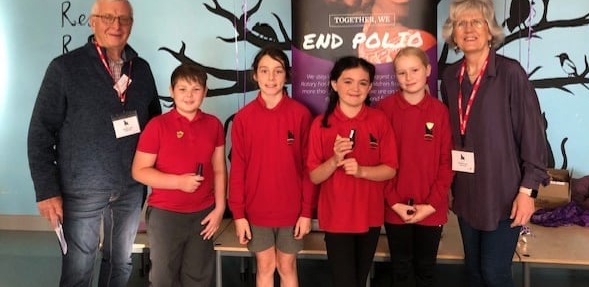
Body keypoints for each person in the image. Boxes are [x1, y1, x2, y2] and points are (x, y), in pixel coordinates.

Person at [27, 0, 161, 287]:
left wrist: (158, 181)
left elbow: (154, 129)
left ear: (132, 24)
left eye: (124, 18)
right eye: (108, 17)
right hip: (81, 190)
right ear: (92, 23)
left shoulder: (141, 69)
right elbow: (39, 132)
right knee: (78, 268)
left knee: (121, 264)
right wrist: (46, 190)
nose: (116, 24)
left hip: (130, 187)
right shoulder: (64, 68)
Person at [439, 0, 549, 287]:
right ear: (453, 34)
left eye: (477, 21)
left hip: (504, 193)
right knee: (473, 271)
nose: (469, 28)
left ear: (490, 31)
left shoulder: (511, 73)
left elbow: (533, 135)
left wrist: (528, 192)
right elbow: (450, 135)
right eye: (461, 23)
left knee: (494, 272)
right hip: (465, 191)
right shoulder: (450, 78)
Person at [131, 63, 226, 287]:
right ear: (172, 91)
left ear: (205, 91)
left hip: (204, 214)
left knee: (199, 276)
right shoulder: (157, 126)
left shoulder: (214, 125)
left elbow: (220, 169)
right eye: (182, 89)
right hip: (166, 216)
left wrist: (220, 208)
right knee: (164, 277)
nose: (189, 95)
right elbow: (139, 171)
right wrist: (178, 182)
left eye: (195, 89)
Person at [228, 47, 315, 287]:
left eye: (278, 71)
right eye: (264, 71)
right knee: (265, 267)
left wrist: (306, 212)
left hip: (292, 211)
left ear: (286, 75)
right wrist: (238, 214)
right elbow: (238, 170)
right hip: (256, 211)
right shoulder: (244, 118)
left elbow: (309, 169)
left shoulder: (300, 115)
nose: (271, 78)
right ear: (255, 75)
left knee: (287, 266)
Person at [308, 56, 398, 287]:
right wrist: (335, 160)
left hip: (369, 215)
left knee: (359, 280)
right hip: (336, 217)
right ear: (334, 84)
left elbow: (390, 169)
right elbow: (314, 176)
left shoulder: (379, 120)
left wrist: (361, 171)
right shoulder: (321, 124)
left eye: (362, 83)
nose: (355, 89)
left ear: (370, 87)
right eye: (348, 81)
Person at [376, 46, 453, 286]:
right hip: (395, 207)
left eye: (414, 70)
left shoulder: (440, 112)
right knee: (401, 268)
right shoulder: (383, 109)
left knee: (426, 270)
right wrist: (394, 202)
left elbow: (446, 163)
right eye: (401, 73)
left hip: (432, 209)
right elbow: (378, 162)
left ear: (428, 70)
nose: (408, 78)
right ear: (395, 76)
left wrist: (431, 204)